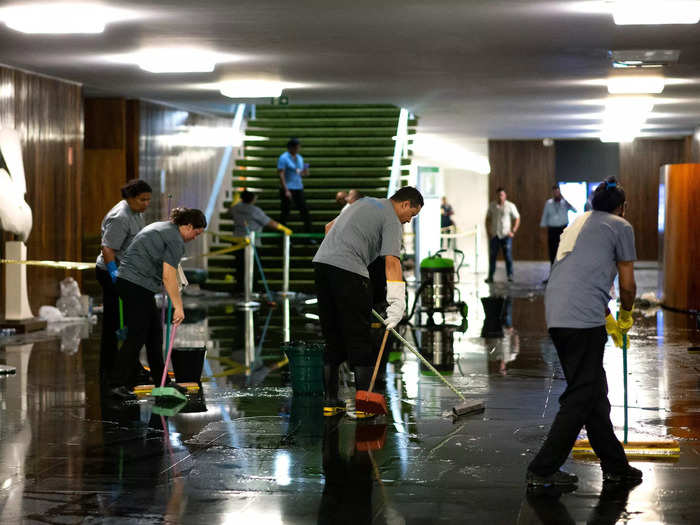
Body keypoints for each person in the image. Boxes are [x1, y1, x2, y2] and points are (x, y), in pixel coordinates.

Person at [526, 177, 642, 487]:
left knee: (594, 393)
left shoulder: (577, 222)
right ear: (622, 207)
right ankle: (542, 469)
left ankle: (615, 465)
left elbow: (578, 277)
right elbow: (628, 285)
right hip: (582, 319)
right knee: (580, 396)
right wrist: (626, 315)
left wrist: (607, 318)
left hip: (557, 312)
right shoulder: (621, 226)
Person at [313, 186, 423, 416]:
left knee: (332, 335)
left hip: (322, 266)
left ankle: (330, 402)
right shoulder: (391, 218)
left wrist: (336, 259)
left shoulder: (363, 203)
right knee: (359, 337)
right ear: (404, 204)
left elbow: (328, 228)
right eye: (410, 215)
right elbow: (392, 261)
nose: (407, 221)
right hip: (350, 272)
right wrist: (397, 303)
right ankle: (365, 406)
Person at [109, 207, 207, 401]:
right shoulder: (175, 240)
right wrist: (178, 306)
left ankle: (162, 382)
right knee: (137, 336)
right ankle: (115, 384)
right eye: (196, 233)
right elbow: (168, 275)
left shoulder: (163, 227)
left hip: (133, 283)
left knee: (154, 335)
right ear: (187, 226)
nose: (195, 237)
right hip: (135, 284)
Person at [95, 179, 152, 384]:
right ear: (130, 198)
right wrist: (114, 274)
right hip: (113, 273)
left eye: (148, 200)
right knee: (114, 323)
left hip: (128, 273)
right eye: (142, 199)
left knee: (129, 321)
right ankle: (110, 371)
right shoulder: (121, 217)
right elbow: (108, 248)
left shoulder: (136, 212)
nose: (146, 204)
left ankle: (130, 366)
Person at [230, 190, 292, 293]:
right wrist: (283, 228)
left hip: (237, 241)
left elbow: (229, 211)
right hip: (251, 243)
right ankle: (252, 289)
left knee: (240, 267)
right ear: (252, 199)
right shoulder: (254, 210)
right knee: (252, 268)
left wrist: (235, 201)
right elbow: (269, 222)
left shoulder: (236, 208)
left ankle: (239, 289)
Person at [485, 187, 520, 283]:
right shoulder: (492, 205)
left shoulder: (510, 206)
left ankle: (510, 276)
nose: (500, 197)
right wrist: (488, 231)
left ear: (505, 196)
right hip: (495, 235)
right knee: (492, 256)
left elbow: (517, 218)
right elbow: (487, 218)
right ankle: (490, 276)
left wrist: (513, 231)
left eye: (502, 195)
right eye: (499, 195)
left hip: (506, 235)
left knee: (508, 256)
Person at [278, 137, 311, 232]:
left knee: (304, 211)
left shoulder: (299, 158)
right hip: (288, 188)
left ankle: (308, 234)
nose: (298, 149)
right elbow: (281, 174)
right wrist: (286, 190)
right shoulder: (283, 158)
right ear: (290, 148)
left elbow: (301, 173)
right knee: (285, 212)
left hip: (298, 187)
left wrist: (305, 171)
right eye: (296, 147)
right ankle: (283, 235)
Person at [540, 184, 576, 267]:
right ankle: (552, 272)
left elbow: (574, 210)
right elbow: (544, 217)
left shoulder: (565, 203)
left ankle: (563, 271)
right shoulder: (549, 203)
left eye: (558, 192)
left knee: (563, 250)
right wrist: (542, 232)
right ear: (553, 193)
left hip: (563, 229)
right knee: (552, 251)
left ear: (560, 192)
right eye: (554, 192)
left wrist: (565, 200)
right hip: (552, 230)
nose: (556, 194)